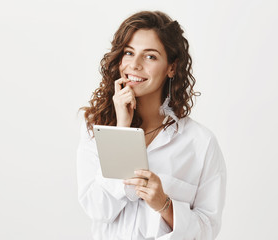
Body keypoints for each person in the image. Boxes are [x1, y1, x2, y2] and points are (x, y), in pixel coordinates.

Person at [77, 10, 226, 240]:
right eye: (129, 52)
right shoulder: (96, 131)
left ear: (172, 68)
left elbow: (207, 229)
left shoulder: (200, 143)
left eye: (150, 56)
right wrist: (122, 130)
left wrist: (165, 205)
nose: (134, 65)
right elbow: (97, 209)